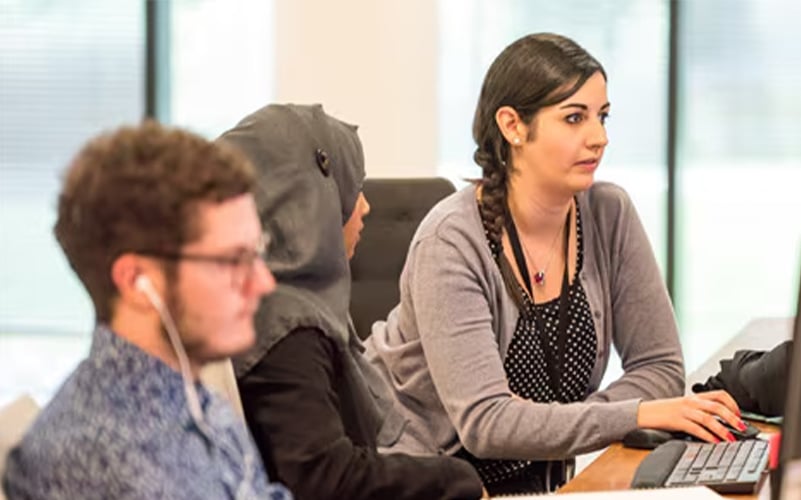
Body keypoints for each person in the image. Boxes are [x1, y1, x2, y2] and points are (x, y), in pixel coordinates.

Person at [363, 32, 745, 494]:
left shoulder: (608, 213)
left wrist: (573, 422)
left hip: (544, 484)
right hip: (435, 482)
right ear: (513, 126)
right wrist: (634, 414)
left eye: (602, 117)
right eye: (574, 118)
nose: (599, 138)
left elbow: (661, 367)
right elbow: (486, 423)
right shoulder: (451, 241)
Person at [2, 122, 291, 499]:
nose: (263, 282)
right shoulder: (97, 463)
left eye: (257, 252)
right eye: (233, 260)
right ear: (137, 281)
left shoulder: (193, 399)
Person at [218, 104, 485, 500]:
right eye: (352, 188)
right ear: (312, 198)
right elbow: (324, 478)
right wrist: (455, 479)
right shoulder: (287, 329)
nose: (365, 206)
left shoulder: (283, 308)